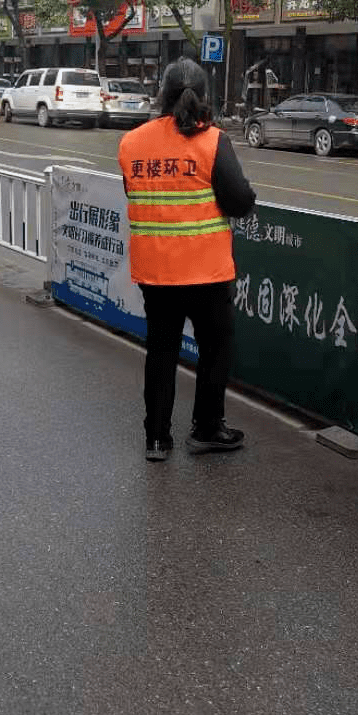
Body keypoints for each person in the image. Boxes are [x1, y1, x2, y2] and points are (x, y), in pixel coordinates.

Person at [118, 58, 256, 462]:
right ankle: (208, 428)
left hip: (156, 272)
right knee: (215, 348)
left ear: (162, 94)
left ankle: (157, 439)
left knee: (161, 351)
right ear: (205, 96)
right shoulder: (213, 141)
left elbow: (134, 194)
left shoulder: (132, 143)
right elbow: (240, 201)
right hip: (206, 273)